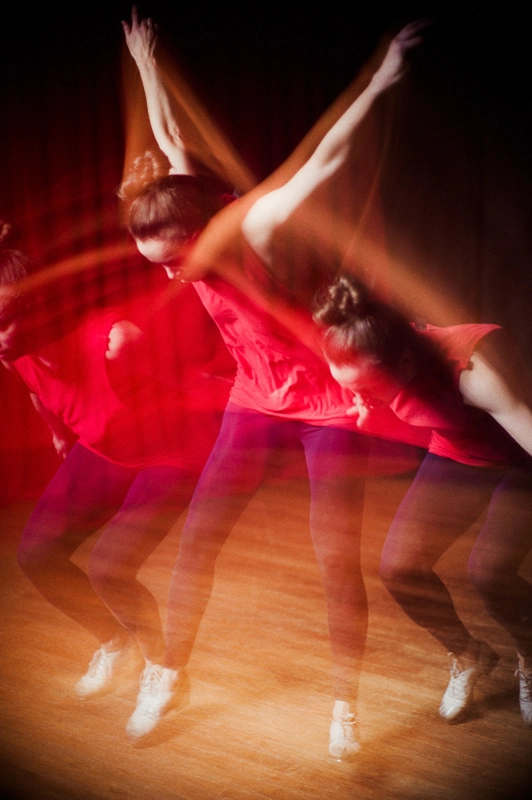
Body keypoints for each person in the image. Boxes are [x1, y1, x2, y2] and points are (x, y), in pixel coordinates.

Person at [121, 8, 427, 758]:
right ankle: (168, 670)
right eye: (153, 261)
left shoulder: (253, 227)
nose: (169, 273)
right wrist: (149, 66)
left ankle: (344, 707)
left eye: (172, 258)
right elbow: (172, 144)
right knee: (197, 543)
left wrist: (382, 79)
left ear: (203, 228)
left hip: (327, 404)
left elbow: (324, 159)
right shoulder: (188, 211)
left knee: (334, 559)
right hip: (254, 398)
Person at [0, 227, 233, 702]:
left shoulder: (115, 341)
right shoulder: (13, 353)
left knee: (109, 567)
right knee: (36, 556)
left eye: (2, 319)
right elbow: (36, 391)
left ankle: (162, 667)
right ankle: (115, 642)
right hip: (105, 447)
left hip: (171, 456)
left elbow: (191, 388)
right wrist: (60, 435)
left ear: (37, 307)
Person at [313, 271, 532, 727]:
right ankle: (469, 655)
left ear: (407, 366)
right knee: (400, 568)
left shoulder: (473, 372)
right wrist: (361, 400)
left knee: (488, 572)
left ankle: (530, 658)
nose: (356, 393)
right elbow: (359, 386)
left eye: (366, 387)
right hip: (460, 450)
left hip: (521, 457)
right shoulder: (369, 350)